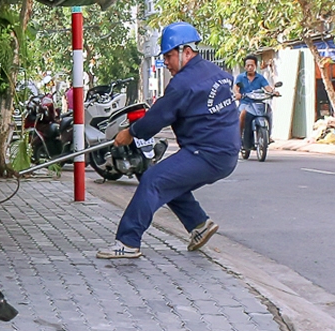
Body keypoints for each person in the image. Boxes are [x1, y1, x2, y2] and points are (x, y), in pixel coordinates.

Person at [96, 22, 241, 259]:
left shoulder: (183, 84)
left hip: (206, 154)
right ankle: (199, 225)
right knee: (169, 181)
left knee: (152, 180)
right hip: (224, 153)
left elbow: (158, 117)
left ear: (186, 51)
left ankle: (128, 241)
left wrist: (130, 132)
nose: (167, 63)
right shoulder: (218, 74)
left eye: (169, 56)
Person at [233, 55, 276, 138]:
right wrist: (237, 94)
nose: (250, 67)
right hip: (245, 103)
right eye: (248, 65)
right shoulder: (240, 77)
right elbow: (236, 87)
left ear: (255, 66)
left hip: (258, 103)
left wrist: (273, 92)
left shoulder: (260, 78)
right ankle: (238, 136)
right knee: (243, 113)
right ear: (245, 67)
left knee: (268, 111)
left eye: (252, 65)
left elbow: (267, 87)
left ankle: (268, 135)